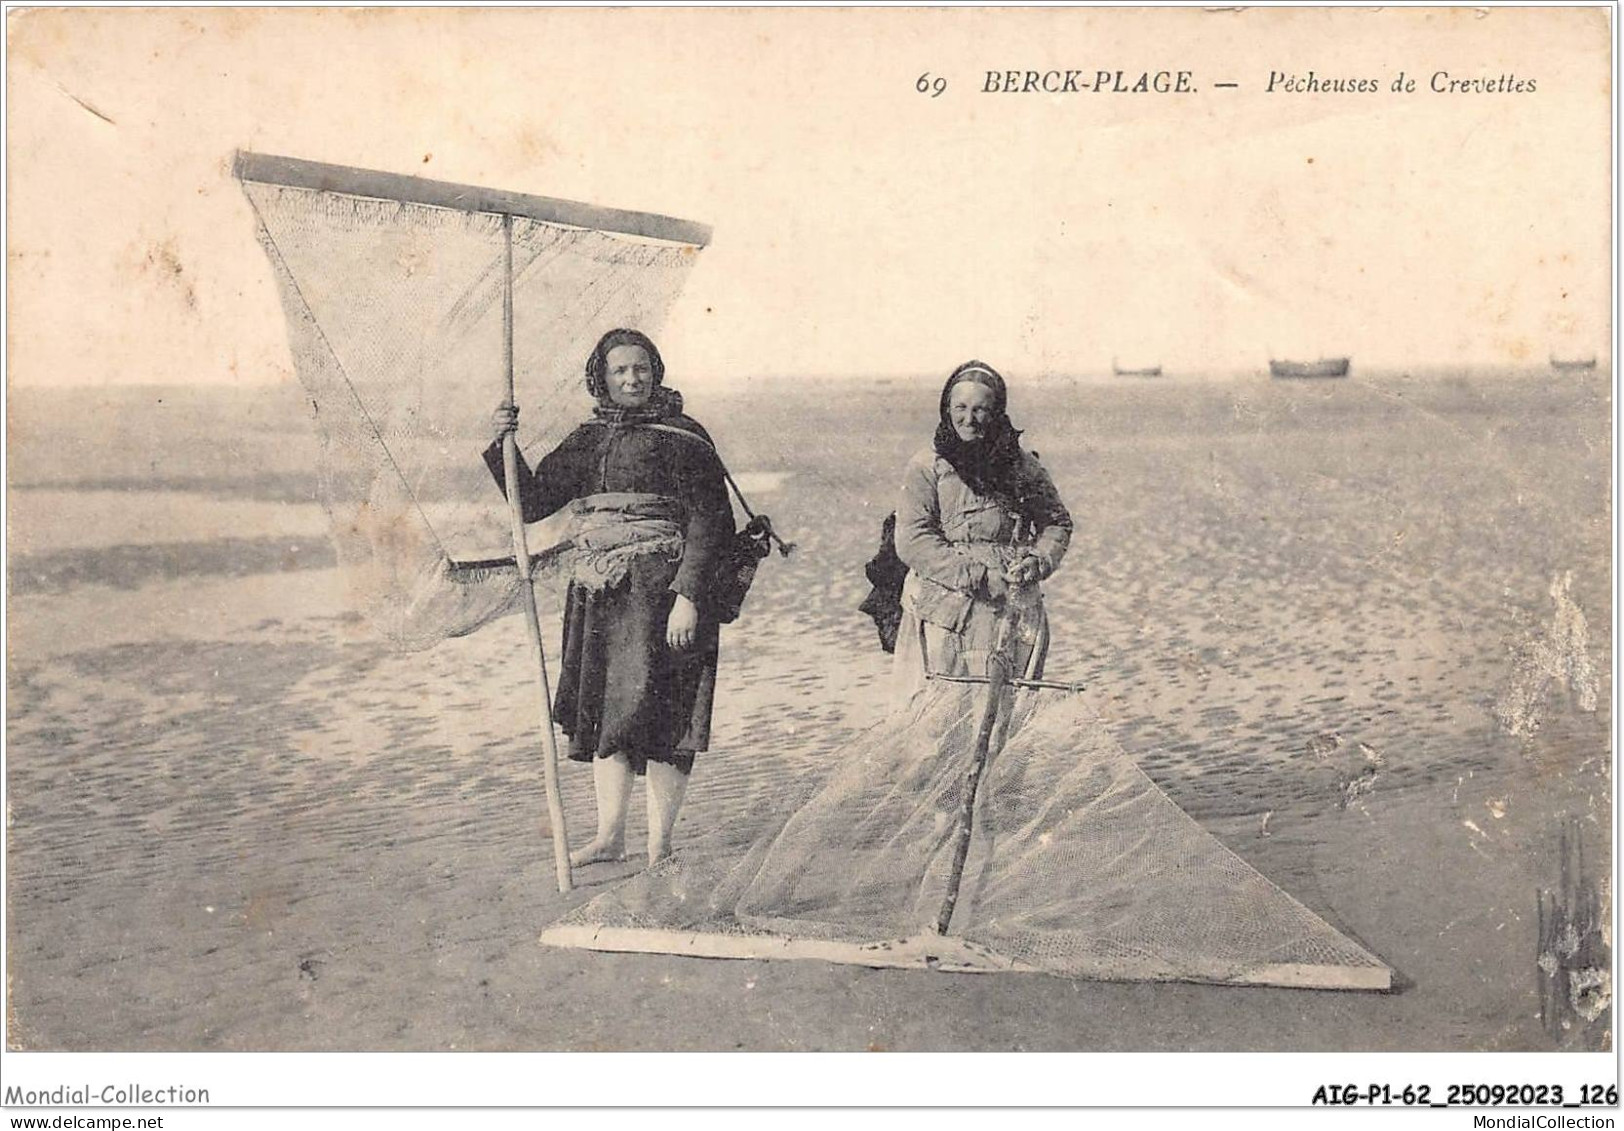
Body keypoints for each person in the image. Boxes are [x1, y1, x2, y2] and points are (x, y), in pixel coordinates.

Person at [486, 328, 732, 866]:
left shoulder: (684, 436)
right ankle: (610, 836)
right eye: (620, 370)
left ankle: (660, 843)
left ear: (656, 371)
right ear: (602, 376)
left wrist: (689, 595)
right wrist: (502, 442)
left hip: (663, 595)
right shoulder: (587, 439)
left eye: (641, 368)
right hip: (600, 592)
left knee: (667, 717)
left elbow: (712, 521)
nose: (632, 379)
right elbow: (534, 503)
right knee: (605, 709)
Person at [891, 360, 1073, 701]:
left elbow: (1056, 523)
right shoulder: (926, 467)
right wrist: (978, 576)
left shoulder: (1022, 466)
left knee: (1005, 715)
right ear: (947, 409)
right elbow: (913, 540)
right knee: (939, 718)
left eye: (980, 410)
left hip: (1013, 613)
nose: (969, 419)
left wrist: (1038, 560)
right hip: (944, 613)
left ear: (997, 412)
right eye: (960, 408)